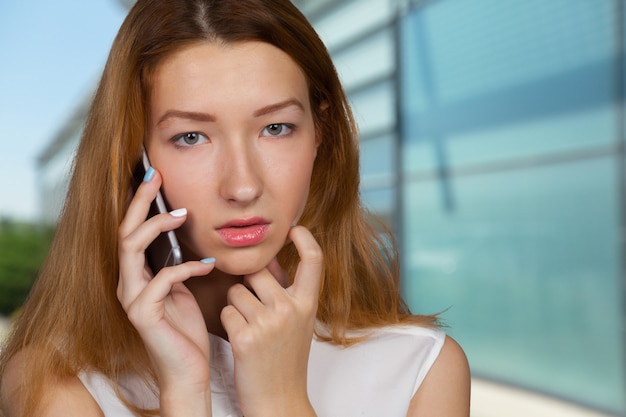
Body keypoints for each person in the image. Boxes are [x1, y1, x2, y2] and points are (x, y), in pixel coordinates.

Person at [0, 0, 470, 416]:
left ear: (320, 135)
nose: (243, 186)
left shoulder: (421, 371)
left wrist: (280, 402)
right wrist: (185, 394)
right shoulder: (55, 385)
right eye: (191, 137)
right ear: (134, 157)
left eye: (276, 128)